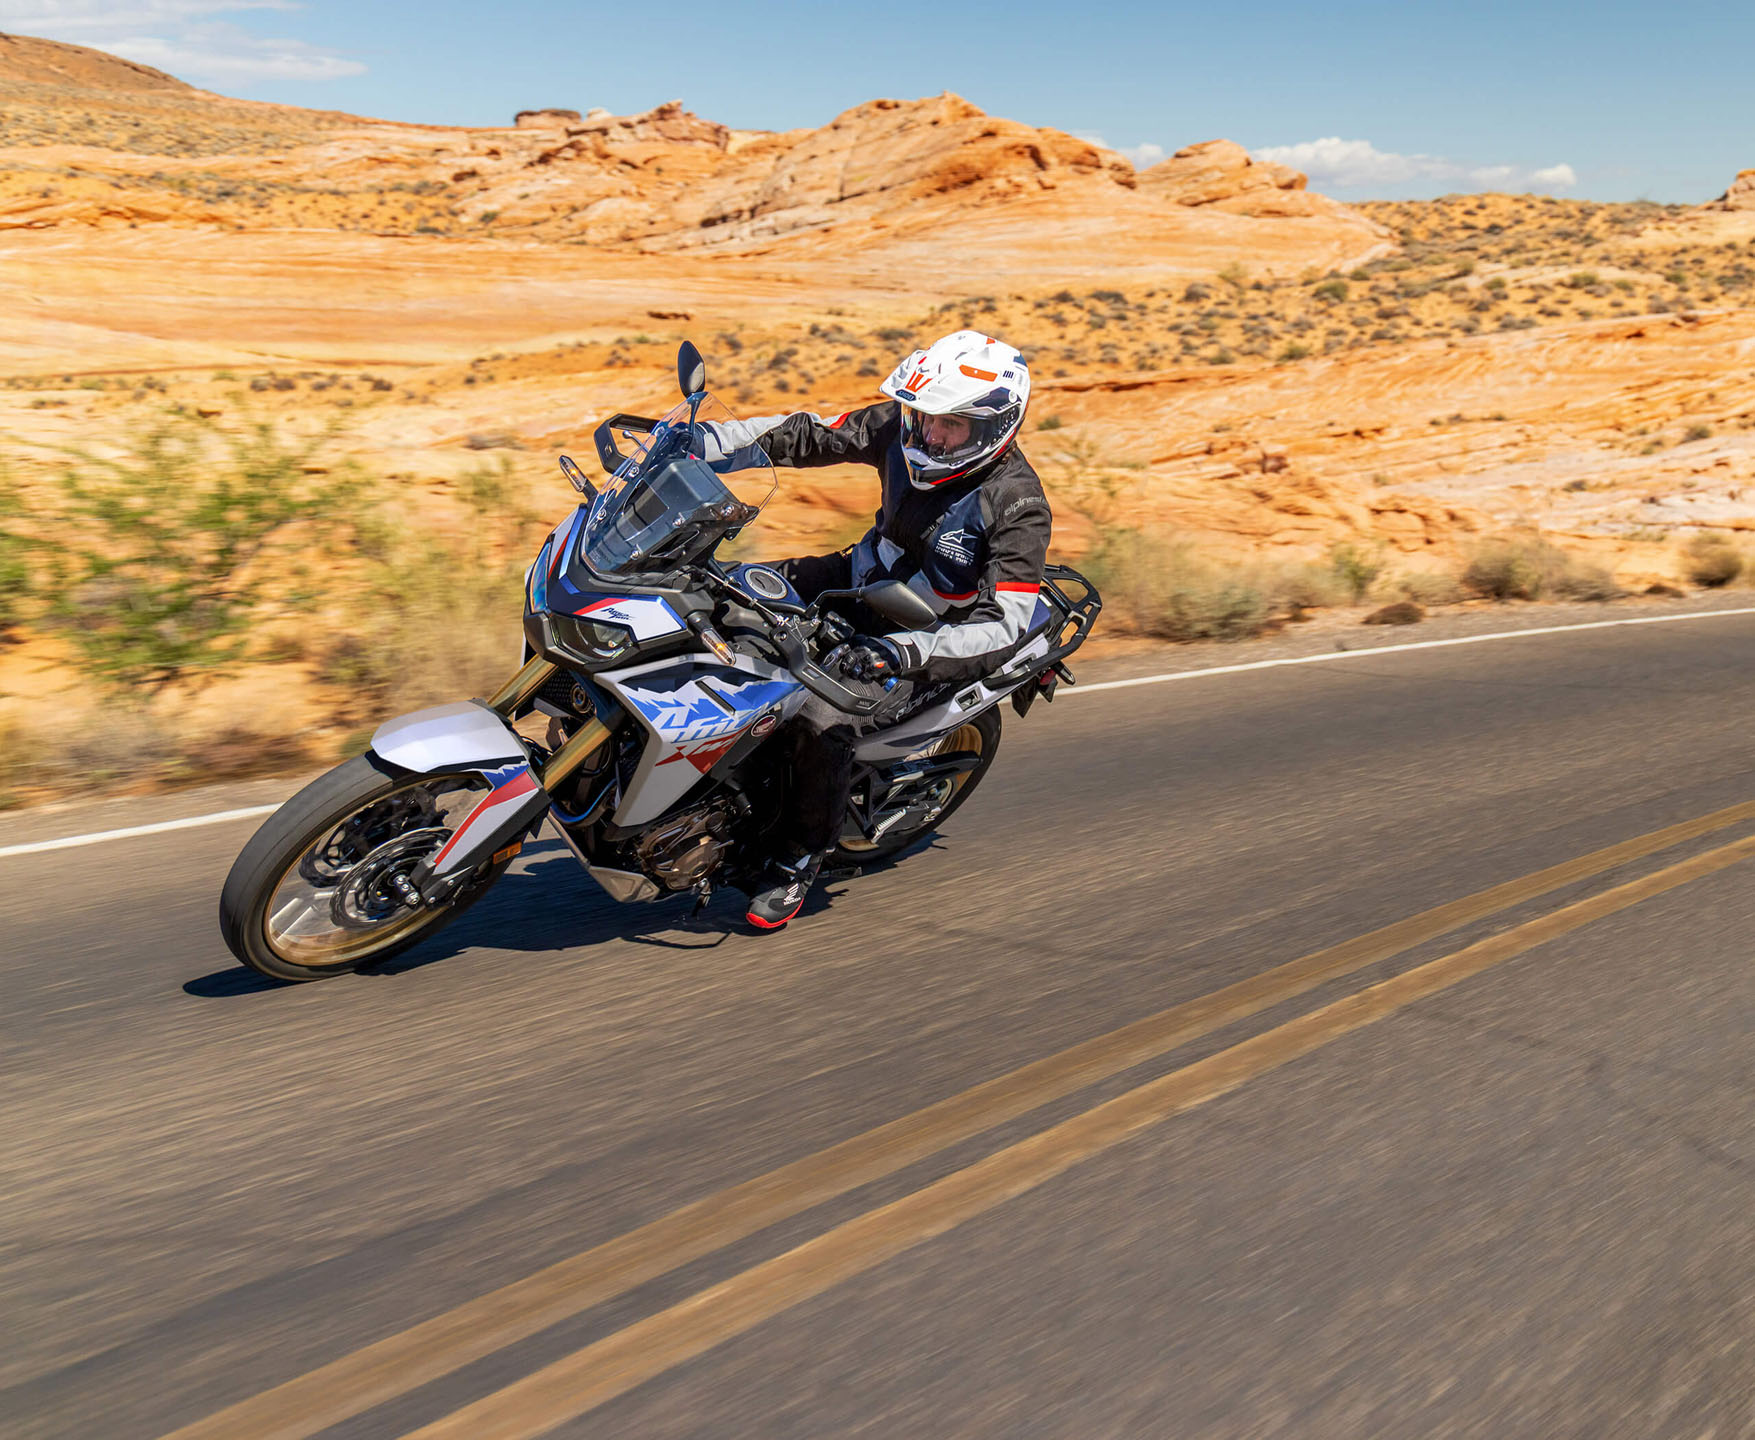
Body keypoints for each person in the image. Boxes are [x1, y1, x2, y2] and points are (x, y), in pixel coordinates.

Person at [698, 329, 1052, 928]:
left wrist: (904, 652)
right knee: (718, 591)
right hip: (857, 579)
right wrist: (701, 443)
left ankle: (797, 857)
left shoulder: (1016, 503)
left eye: (951, 426)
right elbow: (808, 432)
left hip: (928, 640)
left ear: (995, 428)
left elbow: (1006, 622)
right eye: (924, 416)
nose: (929, 434)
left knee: (819, 717)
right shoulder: (903, 429)